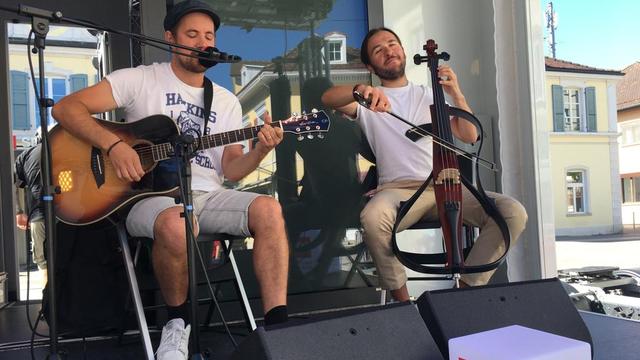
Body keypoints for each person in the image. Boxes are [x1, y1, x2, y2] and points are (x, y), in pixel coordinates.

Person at [52, 1, 289, 358]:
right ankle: (177, 326)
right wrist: (114, 145)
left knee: (269, 209)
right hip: (144, 198)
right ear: (170, 38)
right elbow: (65, 108)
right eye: (192, 34)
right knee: (178, 223)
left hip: (208, 195)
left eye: (209, 36)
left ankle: (278, 327)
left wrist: (260, 149)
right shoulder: (140, 79)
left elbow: (233, 169)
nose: (203, 42)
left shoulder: (224, 101)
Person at [321, 27, 528, 302]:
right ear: (370, 65)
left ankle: (463, 296)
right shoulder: (366, 101)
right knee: (373, 217)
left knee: (513, 212)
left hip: (449, 185)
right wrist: (360, 90)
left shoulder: (431, 94)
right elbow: (327, 98)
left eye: (392, 44)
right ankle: (404, 303)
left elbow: (469, 135)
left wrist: (457, 93)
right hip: (400, 190)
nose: (388, 51)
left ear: (404, 51)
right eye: (378, 50)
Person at [15, 143, 47, 281]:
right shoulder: (68, 148)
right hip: (70, 216)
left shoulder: (27, 155)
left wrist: (18, 211)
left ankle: (48, 299)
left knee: (42, 261)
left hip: (38, 215)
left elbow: (12, 183)